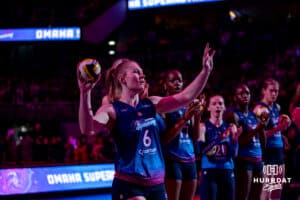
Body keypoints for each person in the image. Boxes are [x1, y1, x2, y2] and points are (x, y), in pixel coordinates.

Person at [78, 43, 215, 200]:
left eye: (142, 72)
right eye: (136, 72)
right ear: (123, 78)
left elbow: (185, 97)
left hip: (157, 185)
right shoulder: (111, 110)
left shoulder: (151, 104)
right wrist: (85, 93)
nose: (142, 75)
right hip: (130, 184)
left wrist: (205, 71)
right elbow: (87, 129)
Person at [160, 69, 204, 200]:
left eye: (179, 80)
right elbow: (164, 139)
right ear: (165, 85)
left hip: (190, 161)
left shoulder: (187, 106)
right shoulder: (162, 106)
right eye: (172, 80)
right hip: (173, 160)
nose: (177, 83)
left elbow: (195, 139)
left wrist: (197, 118)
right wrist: (184, 119)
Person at [226, 84, 267, 200]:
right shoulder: (234, 116)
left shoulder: (255, 115)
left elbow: (262, 141)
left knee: (256, 197)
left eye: (247, 93)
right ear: (235, 98)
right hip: (244, 162)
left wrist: (262, 127)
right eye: (241, 93)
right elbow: (237, 142)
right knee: (243, 197)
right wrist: (257, 130)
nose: (245, 95)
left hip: (258, 161)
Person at [195, 94, 239, 200]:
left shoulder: (230, 127)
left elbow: (234, 154)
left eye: (220, 103)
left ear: (224, 107)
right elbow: (200, 150)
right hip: (209, 171)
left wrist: (235, 139)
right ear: (209, 108)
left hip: (227, 170)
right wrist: (219, 139)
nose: (217, 106)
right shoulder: (203, 126)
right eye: (214, 104)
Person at [253, 78, 292, 200]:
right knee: (266, 194)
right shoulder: (260, 109)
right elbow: (259, 135)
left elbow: (275, 129)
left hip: (278, 152)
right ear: (264, 91)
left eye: (276, 91)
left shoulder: (277, 107)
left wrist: (283, 137)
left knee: (277, 192)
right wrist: (280, 128)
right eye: (271, 90)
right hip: (267, 153)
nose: (274, 94)